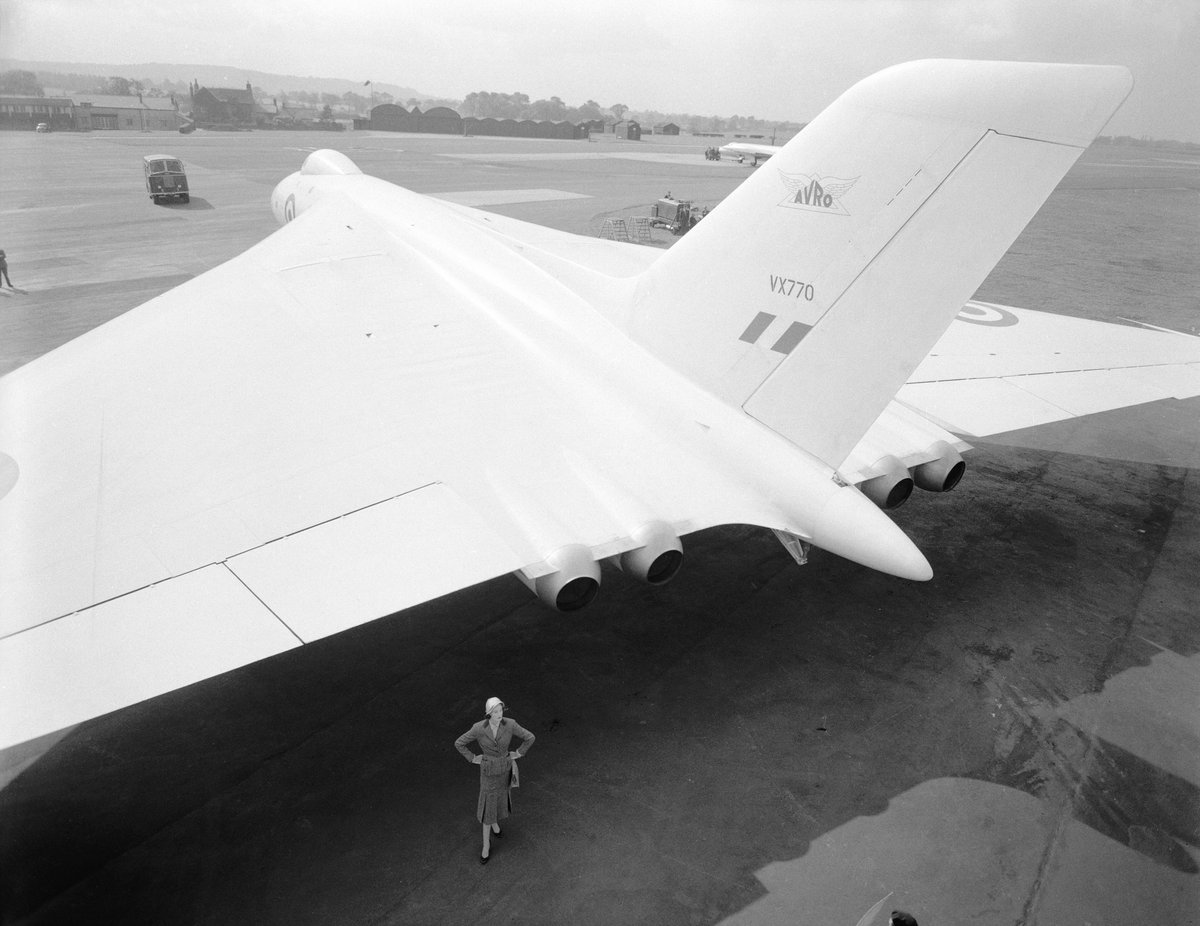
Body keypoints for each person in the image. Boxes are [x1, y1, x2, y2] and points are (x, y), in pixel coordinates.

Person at [454, 697, 536, 864]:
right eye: (496, 712)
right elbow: (459, 743)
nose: (500, 714)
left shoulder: (510, 724)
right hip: (488, 773)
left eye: (501, 710)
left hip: (504, 769)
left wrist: (519, 753)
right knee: (487, 808)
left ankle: (496, 826)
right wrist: (472, 758)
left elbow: (530, 737)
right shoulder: (478, 728)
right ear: (489, 714)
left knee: (498, 800)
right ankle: (486, 845)